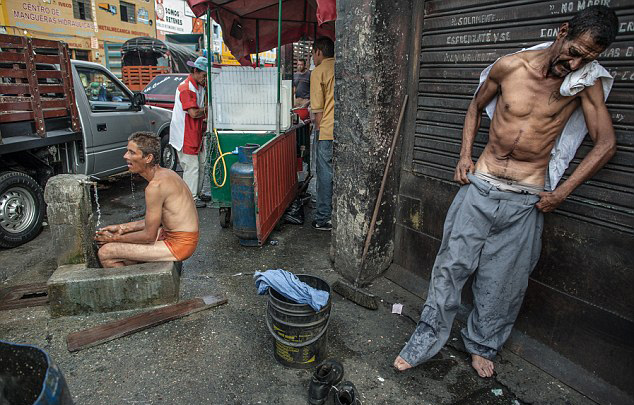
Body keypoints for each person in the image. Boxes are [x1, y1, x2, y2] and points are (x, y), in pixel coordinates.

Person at [394, 5, 618, 378]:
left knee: (504, 282)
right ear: (563, 30)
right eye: (575, 52)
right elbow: (475, 106)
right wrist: (464, 155)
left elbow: (606, 144)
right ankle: (425, 339)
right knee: (450, 268)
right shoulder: (510, 66)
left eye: (588, 60)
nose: (576, 65)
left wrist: (562, 192)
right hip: (481, 186)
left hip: (527, 198)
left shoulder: (585, 83)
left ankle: (482, 346)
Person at [95, 132, 199, 268]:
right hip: (174, 235)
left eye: (132, 153)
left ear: (148, 158)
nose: (125, 156)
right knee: (125, 238)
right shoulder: (168, 173)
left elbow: (149, 236)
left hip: (180, 245)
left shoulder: (155, 186)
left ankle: (132, 288)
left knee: (106, 252)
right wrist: (122, 228)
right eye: (127, 151)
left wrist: (113, 238)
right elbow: (158, 221)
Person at [169, 56, 209, 208]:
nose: (205, 79)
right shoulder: (186, 88)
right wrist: (208, 110)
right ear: (195, 71)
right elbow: (193, 113)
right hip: (185, 133)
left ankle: (197, 193)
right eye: (204, 75)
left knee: (202, 163)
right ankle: (190, 197)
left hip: (196, 131)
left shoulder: (200, 86)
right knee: (192, 167)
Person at [310, 37, 335, 231]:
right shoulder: (340, 67)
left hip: (326, 131)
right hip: (343, 130)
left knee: (324, 174)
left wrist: (318, 133)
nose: (312, 57)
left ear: (319, 52)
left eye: (313, 53)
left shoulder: (318, 72)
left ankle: (323, 217)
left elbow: (317, 110)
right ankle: (335, 213)